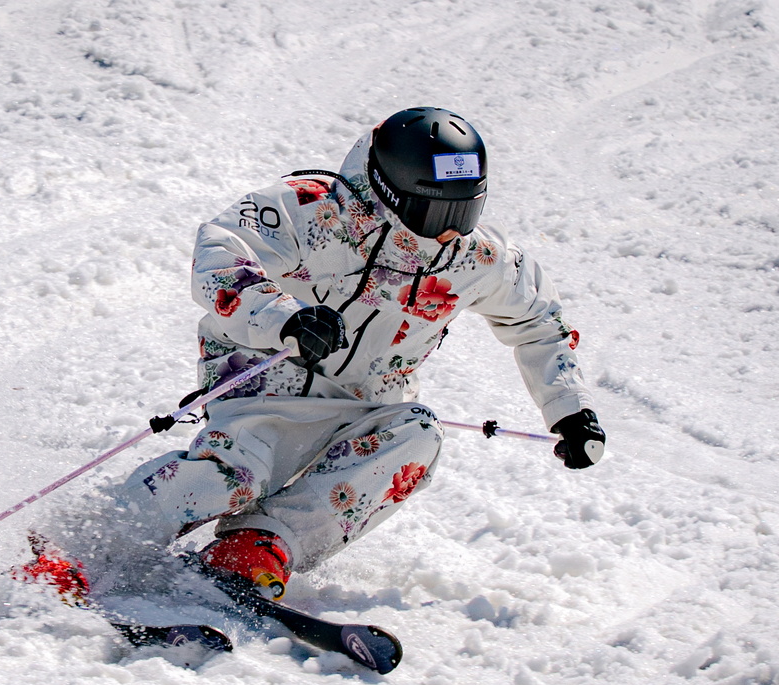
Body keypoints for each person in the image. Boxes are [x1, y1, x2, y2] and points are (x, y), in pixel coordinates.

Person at [34, 106, 605, 602]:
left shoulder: (475, 259)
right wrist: (284, 317)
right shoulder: (311, 212)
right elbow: (219, 248)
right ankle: (78, 547)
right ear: (386, 192)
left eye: (465, 213)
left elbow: (540, 325)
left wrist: (569, 410)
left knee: (416, 439)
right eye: (436, 216)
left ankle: (258, 545)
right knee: (232, 476)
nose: (451, 234)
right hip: (266, 384)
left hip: (369, 402)